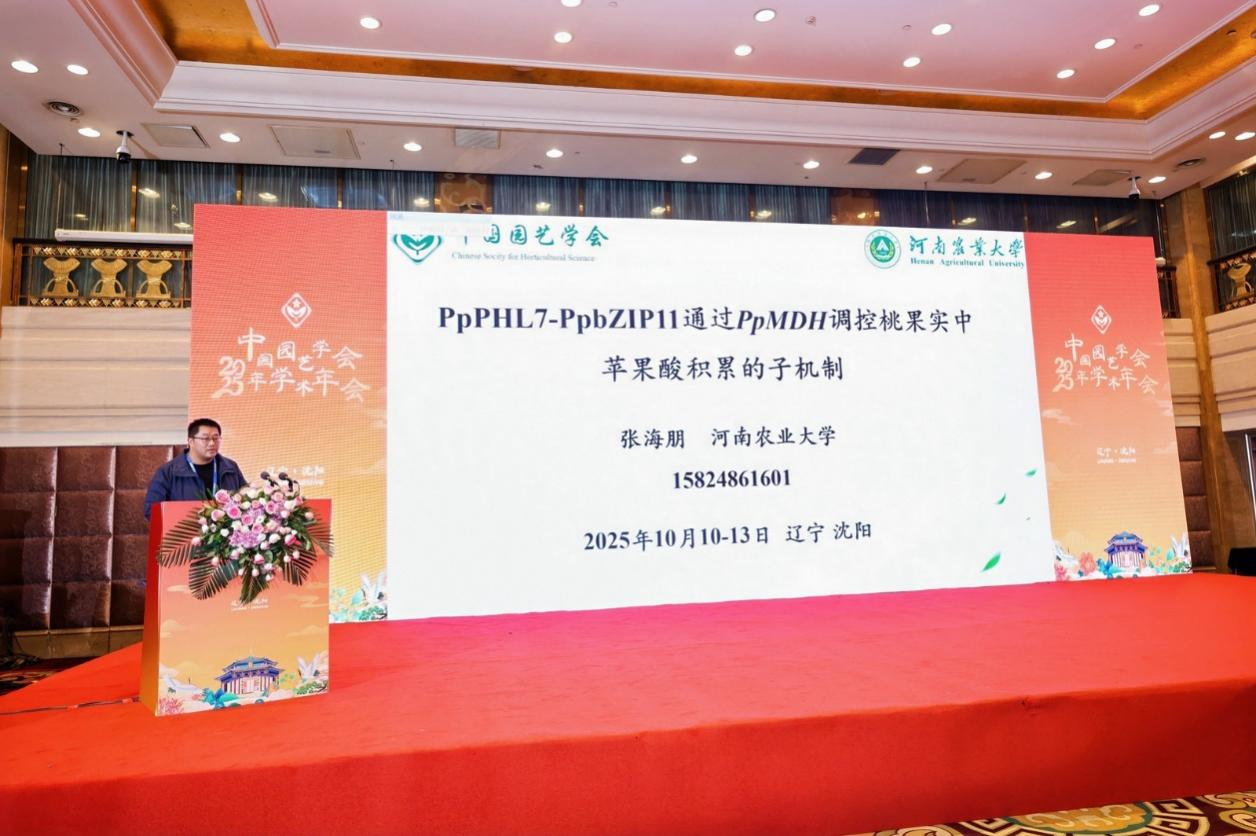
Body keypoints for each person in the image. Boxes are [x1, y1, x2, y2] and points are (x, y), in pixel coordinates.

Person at [144, 418, 247, 520]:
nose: (212, 443)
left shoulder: (230, 467)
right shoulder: (168, 472)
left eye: (216, 438)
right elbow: (152, 511)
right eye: (205, 438)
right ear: (191, 441)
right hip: (185, 529)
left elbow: (246, 502)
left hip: (224, 530)